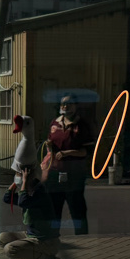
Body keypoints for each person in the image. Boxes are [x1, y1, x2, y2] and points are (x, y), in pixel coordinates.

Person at [44, 94, 93, 236]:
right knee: (54, 209)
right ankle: (52, 238)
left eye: (69, 103)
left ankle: (82, 239)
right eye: (63, 104)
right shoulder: (54, 123)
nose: (65, 106)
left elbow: (86, 151)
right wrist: (49, 147)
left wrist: (67, 153)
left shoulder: (81, 125)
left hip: (74, 175)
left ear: (75, 106)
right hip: (54, 174)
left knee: (77, 209)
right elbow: (50, 146)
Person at [0, 165, 60, 259]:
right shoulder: (29, 192)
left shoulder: (40, 193)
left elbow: (23, 202)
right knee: (2, 238)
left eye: (20, 175)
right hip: (31, 236)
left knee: (11, 249)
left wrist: (24, 181)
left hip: (46, 241)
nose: (18, 177)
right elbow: (7, 198)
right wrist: (15, 183)